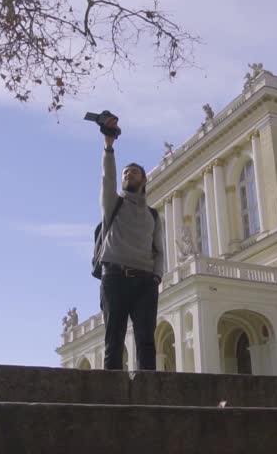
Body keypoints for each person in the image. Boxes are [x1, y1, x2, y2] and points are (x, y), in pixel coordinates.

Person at [98, 115, 164, 370]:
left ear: (143, 180)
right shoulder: (113, 204)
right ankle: (110, 398)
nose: (128, 175)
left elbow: (159, 250)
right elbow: (108, 178)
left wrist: (156, 277)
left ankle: (148, 395)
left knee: (146, 340)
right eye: (126, 172)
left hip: (145, 282)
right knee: (113, 339)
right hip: (114, 278)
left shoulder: (153, 215)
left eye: (134, 172)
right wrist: (109, 145)